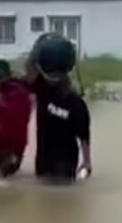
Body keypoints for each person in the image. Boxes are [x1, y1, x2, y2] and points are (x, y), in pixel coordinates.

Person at [26, 33, 92, 184]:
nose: (52, 78)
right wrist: (38, 49)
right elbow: (29, 70)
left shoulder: (75, 103)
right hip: (42, 159)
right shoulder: (41, 89)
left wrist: (87, 162)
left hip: (65, 162)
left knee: (61, 193)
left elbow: (84, 136)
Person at [0, 60, 32, 185]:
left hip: (16, 145)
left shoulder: (20, 91)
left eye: (1, 75)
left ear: (8, 75)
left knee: (6, 174)